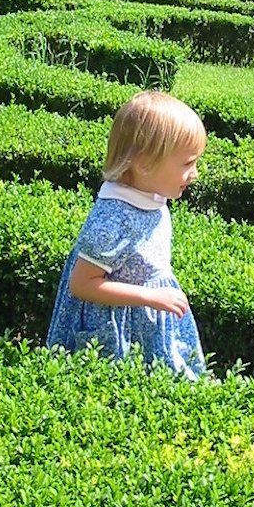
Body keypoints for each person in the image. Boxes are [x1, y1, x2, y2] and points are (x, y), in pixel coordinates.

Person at [46, 91, 207, 380]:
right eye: (187, 164)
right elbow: (81, 284)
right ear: (144, 163)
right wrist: (150, 296)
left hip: (146, 315)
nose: (195, 173)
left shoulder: (152, 196)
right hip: (114, 327)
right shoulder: (111, 222)